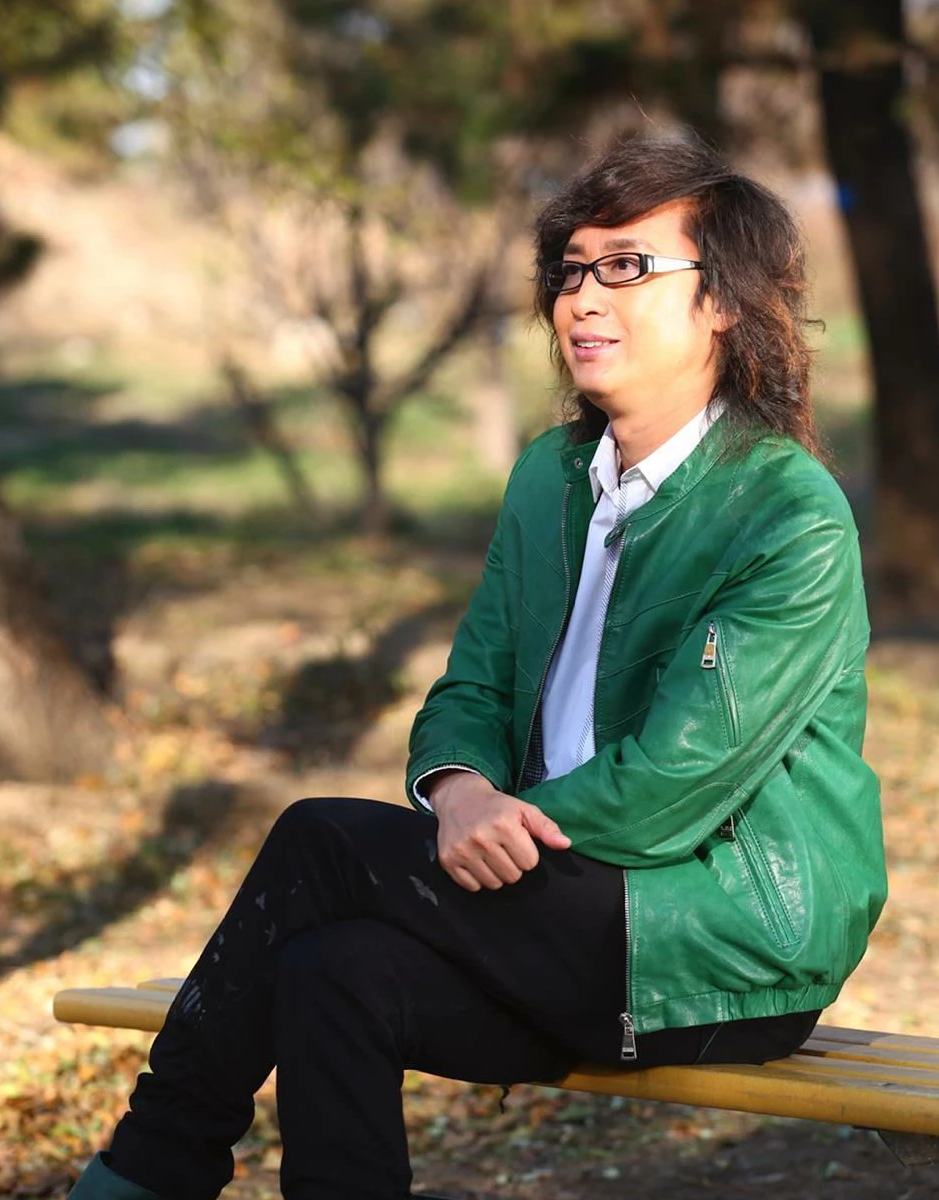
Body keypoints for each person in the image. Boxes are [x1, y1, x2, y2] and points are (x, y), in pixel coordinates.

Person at [68, 133, 887, 1200]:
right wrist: (457, 792)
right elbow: (474, 686)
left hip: (719, 940)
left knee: (322, 841)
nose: (583, 298)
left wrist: (494, 828)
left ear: (724, 300)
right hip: (552, 908)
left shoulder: (787, 513)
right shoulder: (552, 476)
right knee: (330, 973)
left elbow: (666, 790)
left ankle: (146, 1170)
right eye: (571, 270)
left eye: (627, 267)